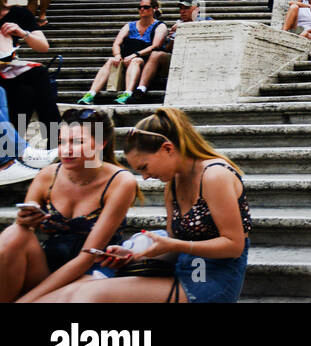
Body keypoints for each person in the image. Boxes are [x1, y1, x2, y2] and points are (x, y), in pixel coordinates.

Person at [41, 108, 252, 303]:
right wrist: (135, 257)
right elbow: (174, 241)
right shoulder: (173, 182)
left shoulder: (215, 175)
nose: (145, 177)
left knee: (90, 295)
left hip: (211, 279)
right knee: (74, 290)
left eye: (144, 167)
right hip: (184, 266)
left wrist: (176, 246)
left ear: (167, 148)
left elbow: (234, 246)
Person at [0, 108, 138, 302]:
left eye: (77, 142)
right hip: (48, 264)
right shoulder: (47, 175)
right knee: (14, 233)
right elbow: (19, 236)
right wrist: (25, 221)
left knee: (81, 295)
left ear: (101, 143)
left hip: (91, 270)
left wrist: (27, 300)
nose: (66, 149)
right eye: (61, 142)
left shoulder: (120, 181)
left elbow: (87, 257)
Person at [0, 0, 58, 185]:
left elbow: (43, 46)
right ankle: (21, 152)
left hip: (9, 69)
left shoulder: (17, 14)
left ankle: (48, 141)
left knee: (29, 86)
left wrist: (22, 33)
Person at [78, 0, 167, 105]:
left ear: (154, 9)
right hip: (126, 58)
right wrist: (117, 55)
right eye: (140, 7)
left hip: (145, 61)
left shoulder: (160, 26)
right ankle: (91, 94)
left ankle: (127, 93)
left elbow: (155, 45)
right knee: (111, 60)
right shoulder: (130, 25)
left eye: (146, 7)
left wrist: (135, 55)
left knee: (136, 61)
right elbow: (117, 43)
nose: (142, 9)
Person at [137, 0, 212, 98]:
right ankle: (141, 89)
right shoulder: (177, 24)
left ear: (196, 9)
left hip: (198, 59)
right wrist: (173, 38)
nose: (182, 11)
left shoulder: (205, 20)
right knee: (156, 54)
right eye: (180, 8)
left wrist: (184, 27)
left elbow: (211, 27)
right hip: (177, 58)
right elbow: (167, 48)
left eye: (186, 8)